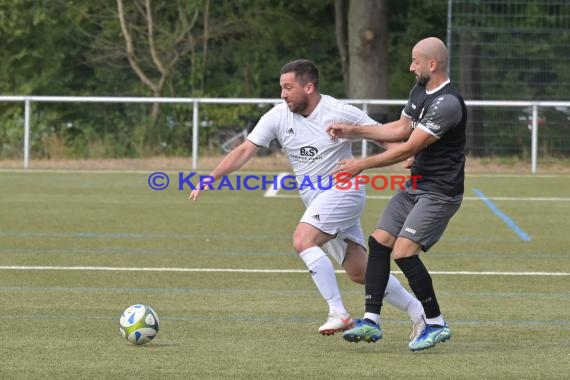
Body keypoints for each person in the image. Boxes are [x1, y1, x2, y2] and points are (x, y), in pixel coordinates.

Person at [189, 59, 425, 337]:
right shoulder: (277, 116)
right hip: (317, 201)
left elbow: (382, 134)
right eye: (281, 88)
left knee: (303, 240)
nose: (283, 94)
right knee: (359, 271)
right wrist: (212, 177)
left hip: (344, 191)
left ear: (309, 87)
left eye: (288, 88)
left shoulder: (337, 111)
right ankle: (419, 313)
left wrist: (406, 155)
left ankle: (338, 312)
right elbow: (244, 150)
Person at [329, 37, 466, 351]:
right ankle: (371, 322)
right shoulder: (420, 91)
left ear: (432, 64)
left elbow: (410, 147)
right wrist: (352, 130)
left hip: (440, 191)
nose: (410, 66)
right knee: (379, 242)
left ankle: (435, 323)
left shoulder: (447, 103)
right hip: (416, 185)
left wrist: (362, 164)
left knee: (404, 252)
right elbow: (400, 129)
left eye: (415, 61)